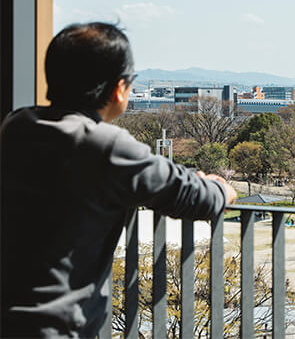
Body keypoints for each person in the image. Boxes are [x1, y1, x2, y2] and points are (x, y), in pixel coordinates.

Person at [0, 22, 238, 338]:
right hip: (54, 326)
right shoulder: (104, 145)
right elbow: (193, 198)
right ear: (119, 88)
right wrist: (221, 187)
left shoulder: (18, 124)